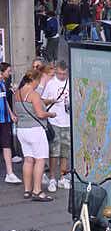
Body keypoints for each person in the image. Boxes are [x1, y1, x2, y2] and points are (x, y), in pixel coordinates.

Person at [15, 69, 57, 201]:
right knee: (40, 160)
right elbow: (40, 114)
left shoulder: (17, 93)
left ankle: (27, 190)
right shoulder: (33, 94)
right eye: (38, 81)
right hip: (35, 130)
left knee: (28, 160)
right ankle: (37, 191)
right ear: (33, 80)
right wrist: (51, 114)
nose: (38, 84)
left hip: (22, 130)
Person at [42, 60, 71, 192]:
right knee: (54, 151)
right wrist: (51, 101)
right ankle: (52, 177)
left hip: (67, 121)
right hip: (54, 121)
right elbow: (42, 101)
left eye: (64, 74)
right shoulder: (51, 83)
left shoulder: (70, 82)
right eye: (59, 73)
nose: (61, 76)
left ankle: (62, 177)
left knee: (65, 151)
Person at [0, 62, 21, 184]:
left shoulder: (3, 83)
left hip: (5, 119)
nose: (10, 73)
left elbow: (5, 100)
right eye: (8, 71)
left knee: (6, 144)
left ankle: (10, 173)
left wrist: (11, 114)